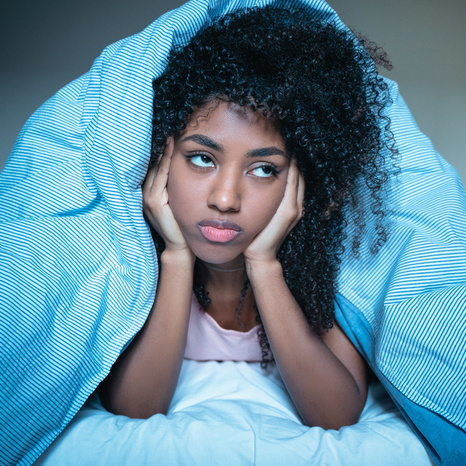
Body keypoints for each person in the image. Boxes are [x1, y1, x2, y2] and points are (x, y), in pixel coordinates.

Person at [97, 5, 395, 430]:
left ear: (300, 180)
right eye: (201, 158)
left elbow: (337, 414)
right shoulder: (131, 259)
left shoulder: (321, 269)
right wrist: (177, 258)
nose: (224, 198)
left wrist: (265, 265)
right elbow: (135, 408)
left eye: (264, 169)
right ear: (160, 161)